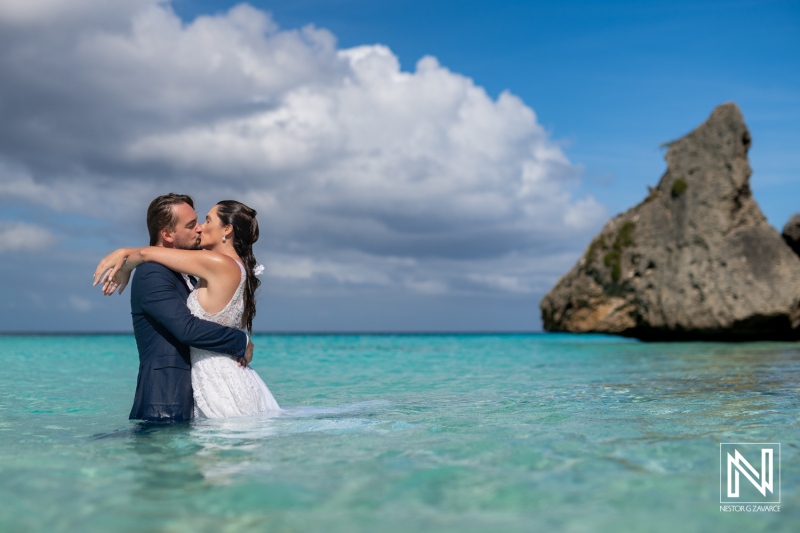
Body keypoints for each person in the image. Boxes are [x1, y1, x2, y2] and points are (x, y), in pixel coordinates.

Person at [95, 198, 279, 418]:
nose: (199, 228)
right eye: (192, 225)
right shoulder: (152, 273)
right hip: (166, 399)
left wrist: (127, 256)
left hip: (210, 384)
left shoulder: (209, 267)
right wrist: (241, 342)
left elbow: (145, 254)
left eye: (205, 221)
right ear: (168, 234)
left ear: (227, 229)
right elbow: (187, 328)